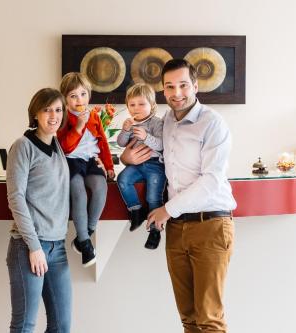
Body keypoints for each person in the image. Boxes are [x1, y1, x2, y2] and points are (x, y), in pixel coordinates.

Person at [122, 59, 236, 332]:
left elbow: (210, 181)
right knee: (188, 318)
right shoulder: (166, 123)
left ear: (195, 86)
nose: (177, 93)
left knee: (209, 319)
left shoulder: (213, 123)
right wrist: (125, 158)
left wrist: (166, 210)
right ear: (163, 90)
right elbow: (152, 157)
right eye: (170, 87)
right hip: (177, 228)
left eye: (183, 85)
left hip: (211, 225)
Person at [6, 88, 71, 333]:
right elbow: (16, 198)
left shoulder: (57, 144)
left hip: (57, 247)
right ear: (35, 113)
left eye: (58, 110)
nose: (53, 116)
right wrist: (34, 247)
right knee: (24, 325)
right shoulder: (23, 146)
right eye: (47, 110)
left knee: (61, 326)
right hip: (29, 247)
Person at [56, 72, 115, 267]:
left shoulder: (94, 116)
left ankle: (85, 235)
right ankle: (86, 247)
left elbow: (103, 143)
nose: (79, 100)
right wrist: (79, 127)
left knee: (100, 188)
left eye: (82, 94)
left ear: (88, 95)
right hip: (71, 161)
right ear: (65, 99)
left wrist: (109, 166)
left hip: (91, 161)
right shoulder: (62, 118)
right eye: (73, 96)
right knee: (79, 194)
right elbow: (65, 146)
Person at [116, 83, 166, 249]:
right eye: (132, 104)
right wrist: (125, 131)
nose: (136, 108)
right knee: (123, 179)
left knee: (153, 196)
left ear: (152, 106)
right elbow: (122, 143)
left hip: (154, 165)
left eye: (141, 104)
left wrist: (146, 137)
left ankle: (155, 229)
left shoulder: (156, 123)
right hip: (136, 164)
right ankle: (136, 210)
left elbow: (160, 145)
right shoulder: (130, 123)